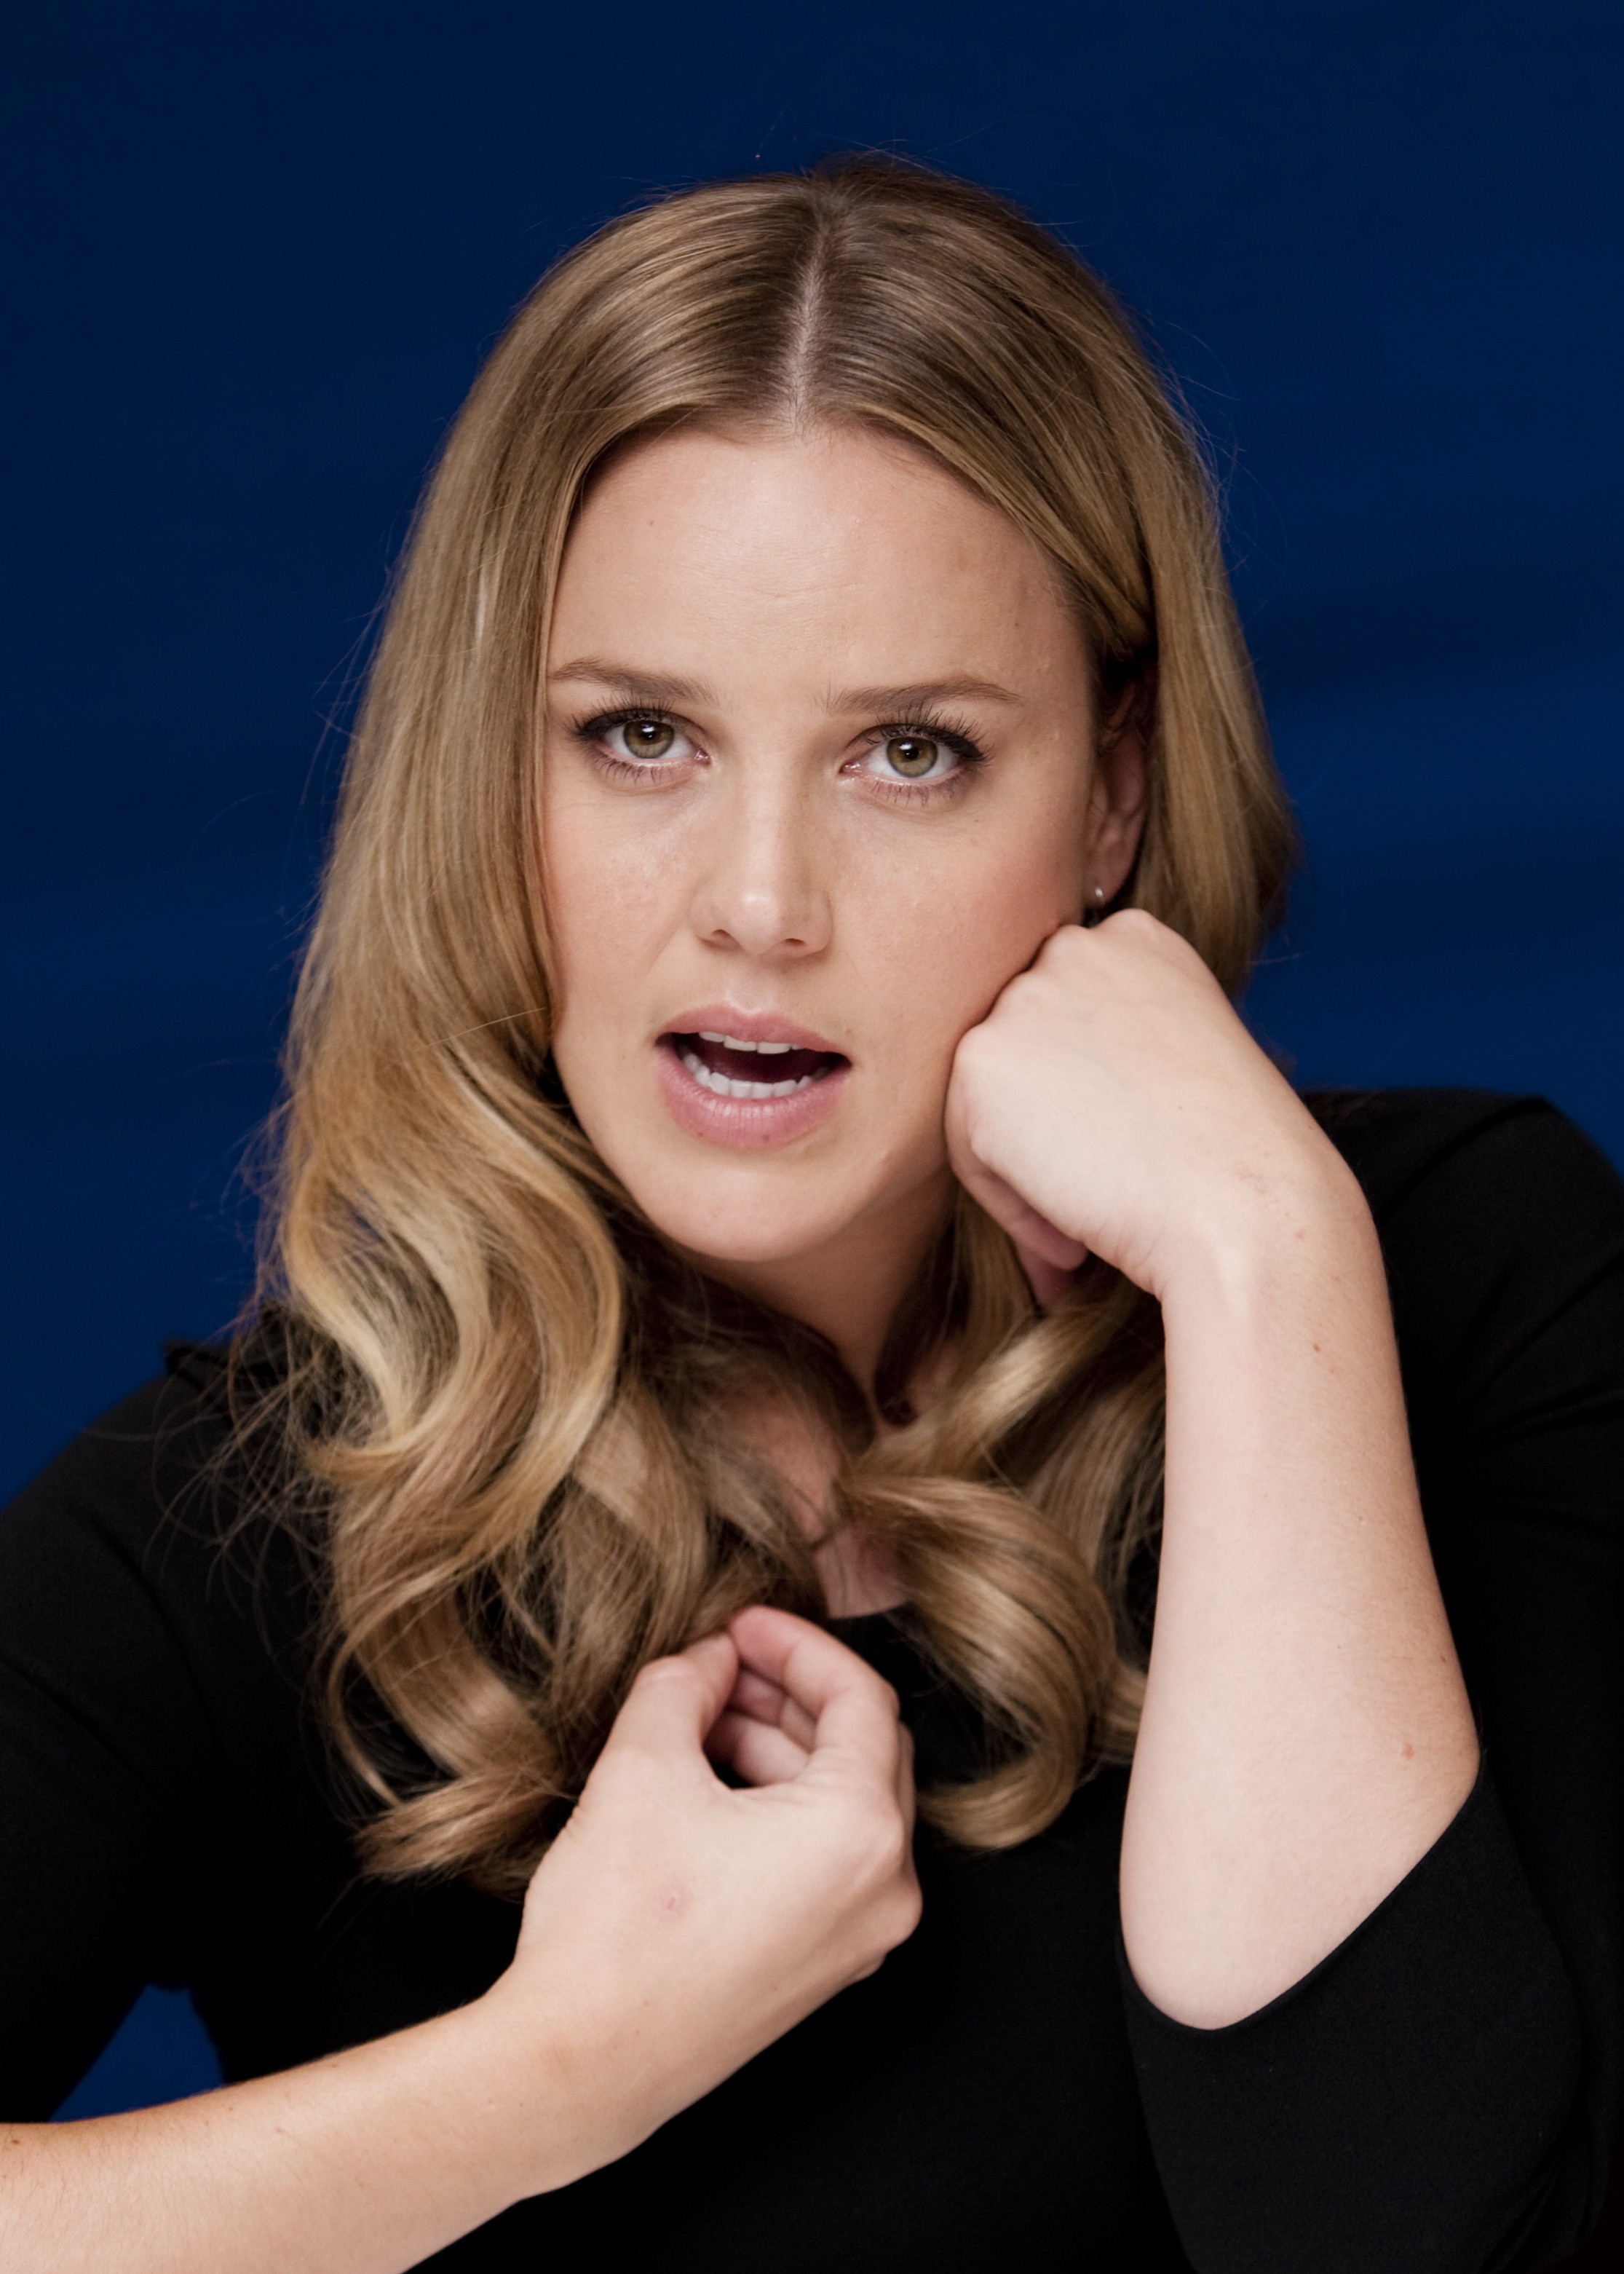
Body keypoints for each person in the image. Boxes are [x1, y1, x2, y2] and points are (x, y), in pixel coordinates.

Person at [1, 156, 1619, 2274]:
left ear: (1116, 792)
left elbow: (1399, 2238)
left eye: (911, 754)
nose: (760, 903)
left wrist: (1258, 1259)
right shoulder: (243, 1525)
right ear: (497, 783)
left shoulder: (1460, 1279)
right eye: (640, 735)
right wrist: (549, 2076)